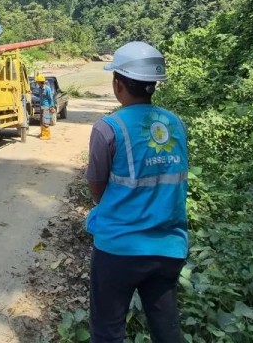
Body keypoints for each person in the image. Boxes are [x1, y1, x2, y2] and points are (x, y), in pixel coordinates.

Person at [85, 42, 188, 343]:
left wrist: (110, 207)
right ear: (153, 85)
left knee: (107, 331)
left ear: (118, 84)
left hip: (119, 249)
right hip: (169, 248)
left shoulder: (108, 128)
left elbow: (96, 184)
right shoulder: (177, 124)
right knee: (167, 329)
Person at [35, 74, 56, 140]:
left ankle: (47, 135)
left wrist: (52, 106)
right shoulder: (40, 88)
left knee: (45, 121)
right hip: (42, 106)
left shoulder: (47, 89)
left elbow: (50, 98)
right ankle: (43, 133)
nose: (37, 83)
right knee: (41, 120)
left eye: (37, 82)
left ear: (40, 82)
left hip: (46, 107)